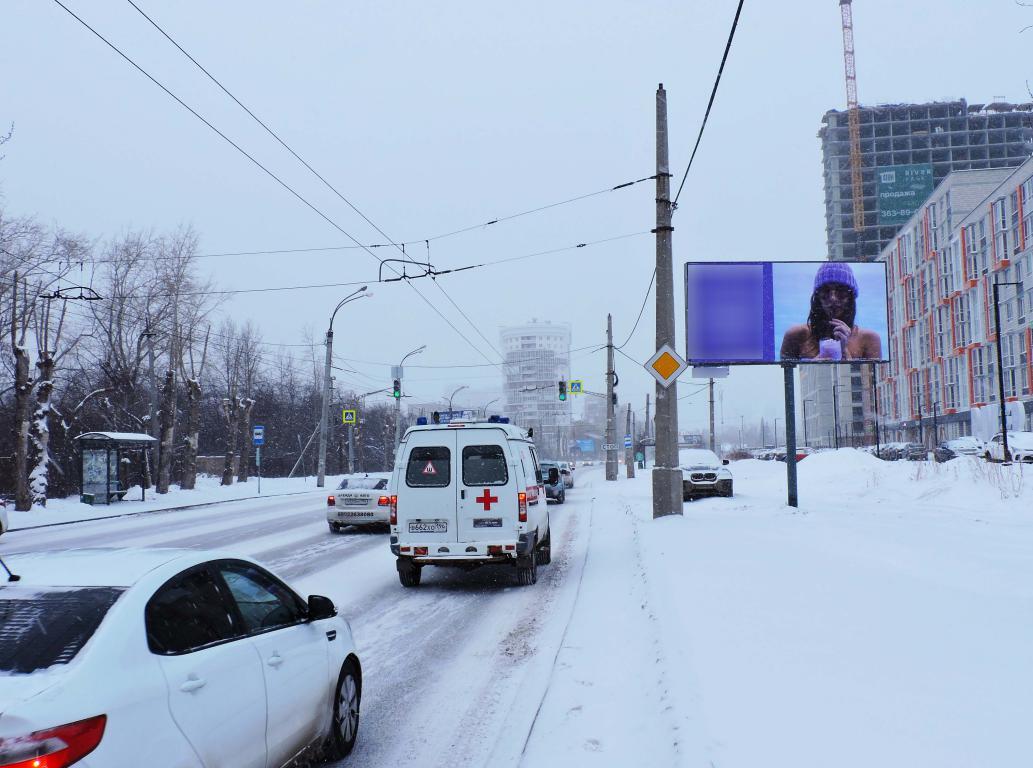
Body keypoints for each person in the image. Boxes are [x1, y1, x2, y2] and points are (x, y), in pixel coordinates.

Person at [780, 262, 882, 361]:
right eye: (825, 291)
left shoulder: (869, 339)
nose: (833, 298)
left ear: (850, 298)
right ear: (817, 298)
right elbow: (787, 376)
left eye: (841, 291)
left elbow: (869, 377)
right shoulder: (796, 335)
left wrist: (844, 350)